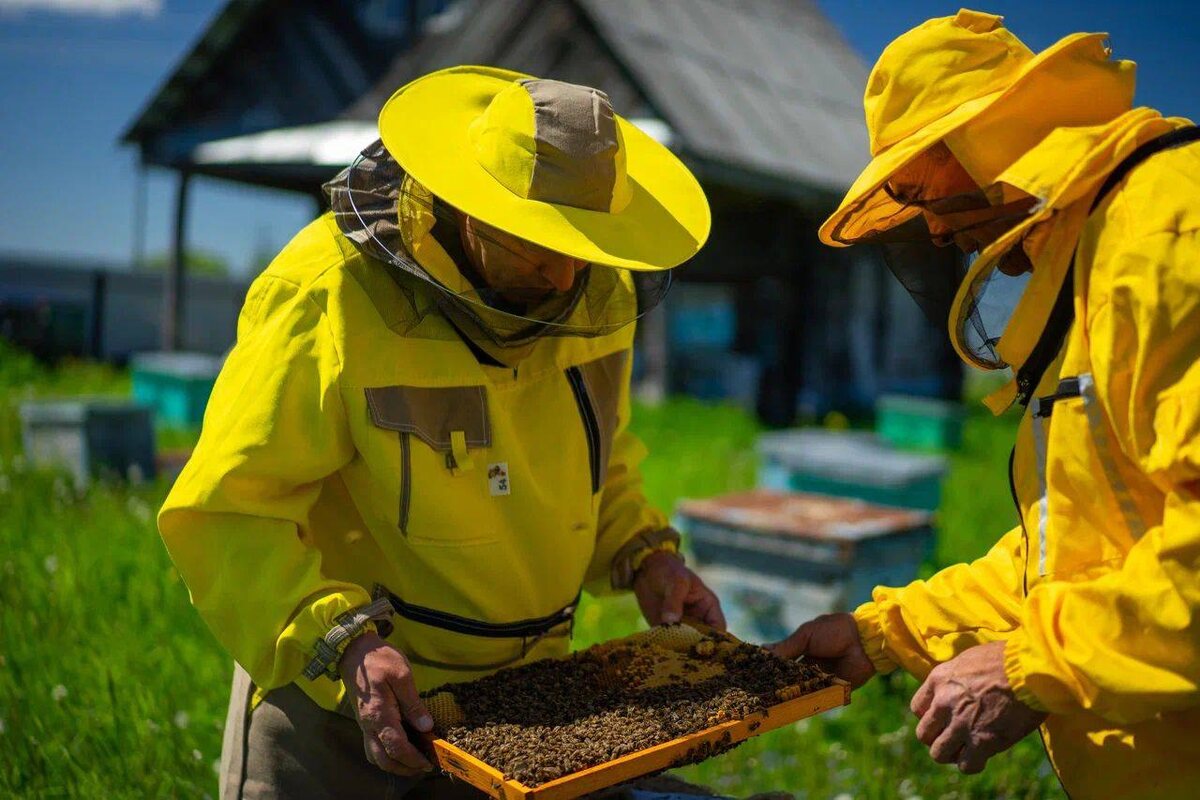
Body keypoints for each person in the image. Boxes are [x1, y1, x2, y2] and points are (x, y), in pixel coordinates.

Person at [158, 65, 724, 799]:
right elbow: (228, 510)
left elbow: (595, 464)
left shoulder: (595, 289)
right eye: (538, 243)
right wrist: (342, 645)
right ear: (466, 207)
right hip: (340, 712)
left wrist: (646, 557)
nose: (564, 279)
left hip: (528, 711)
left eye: (583, 245)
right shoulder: (327, 294)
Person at [771, 10, 1200, 798]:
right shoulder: (1098, 246)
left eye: (920, 190)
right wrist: (883, 635)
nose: (936, 231)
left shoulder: (1171, 232)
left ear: (980, 138)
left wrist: (1034, 664)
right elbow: (1078, 554)